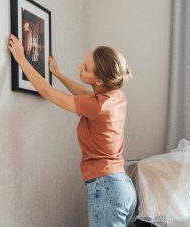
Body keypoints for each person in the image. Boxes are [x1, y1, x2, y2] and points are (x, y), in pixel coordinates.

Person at [8, 33, 137, 226]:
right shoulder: (116, 96)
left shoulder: (97, 105)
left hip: (107, 188)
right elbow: (86, 94)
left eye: (85, 68)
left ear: (99, 81)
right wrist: (58, 75)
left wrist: (20, 58)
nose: (80, 67)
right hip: (123, 187)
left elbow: (47, 92)